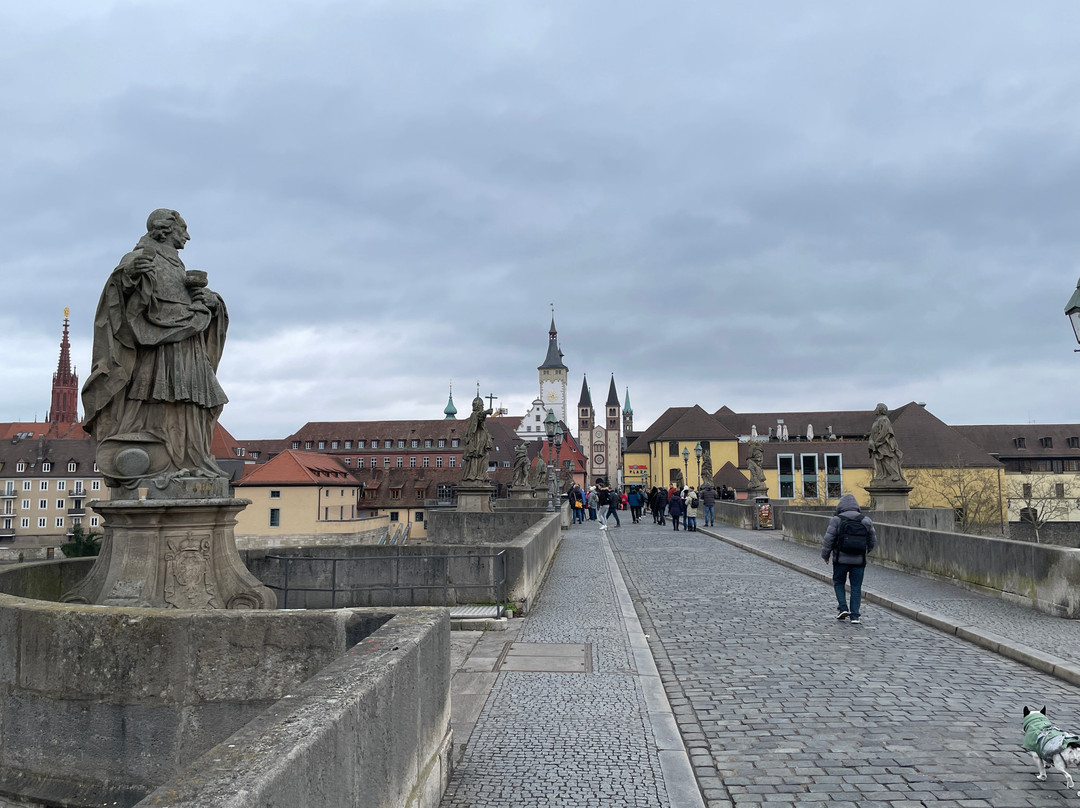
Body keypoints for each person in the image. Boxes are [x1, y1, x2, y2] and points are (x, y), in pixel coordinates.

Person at [83, 209, 229, 490]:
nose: (187, 236)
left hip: (187, 344)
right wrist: (130, 276)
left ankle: (192, 460)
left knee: (196, 403)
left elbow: (193, 301)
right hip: (160, 348)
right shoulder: (141, 256)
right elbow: (118, 290)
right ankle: (164, 459)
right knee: (161, 401)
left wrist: (211, 301)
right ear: (165, 230)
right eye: (182, 229)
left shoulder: (176, 264)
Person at [820, 493, 877, 624]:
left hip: (840, 559)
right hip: (859, 560)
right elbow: (872, 540)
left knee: (839, 582)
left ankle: (843, 608)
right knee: (856, 586)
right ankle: (855, 616)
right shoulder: (865, 520)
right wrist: (865, 551)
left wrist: (825, 555)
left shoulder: (836, 520)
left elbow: (828, 540)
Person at [462, 396, 495, 482]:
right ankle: (474, 475)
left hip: (481, 438)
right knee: (476, 456)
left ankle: (481, 474)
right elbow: (479, 417)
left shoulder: (477, 415)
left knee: (484, 456)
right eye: (481, 405)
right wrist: (486, 412)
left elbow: (481, 419)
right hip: (476, 438)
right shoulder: (474, 414)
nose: (482, 407)